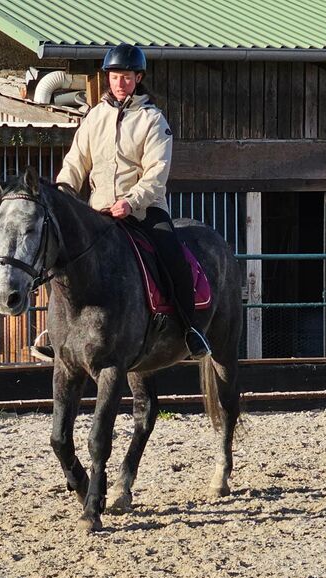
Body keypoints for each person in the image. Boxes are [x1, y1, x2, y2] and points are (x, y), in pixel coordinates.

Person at [31, 43, 211, 361]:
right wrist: (63, 191)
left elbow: (157, 171)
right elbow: (76, 161)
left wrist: (131, 201)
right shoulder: (95, 117)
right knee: (59, 255)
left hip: (144, 209)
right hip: (99, 210)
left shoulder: (153, 120)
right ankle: (57, 333)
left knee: (174, 259)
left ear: (138, 78)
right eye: (115, 76)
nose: (119, 83)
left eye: (126, 77)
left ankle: (189, 328)